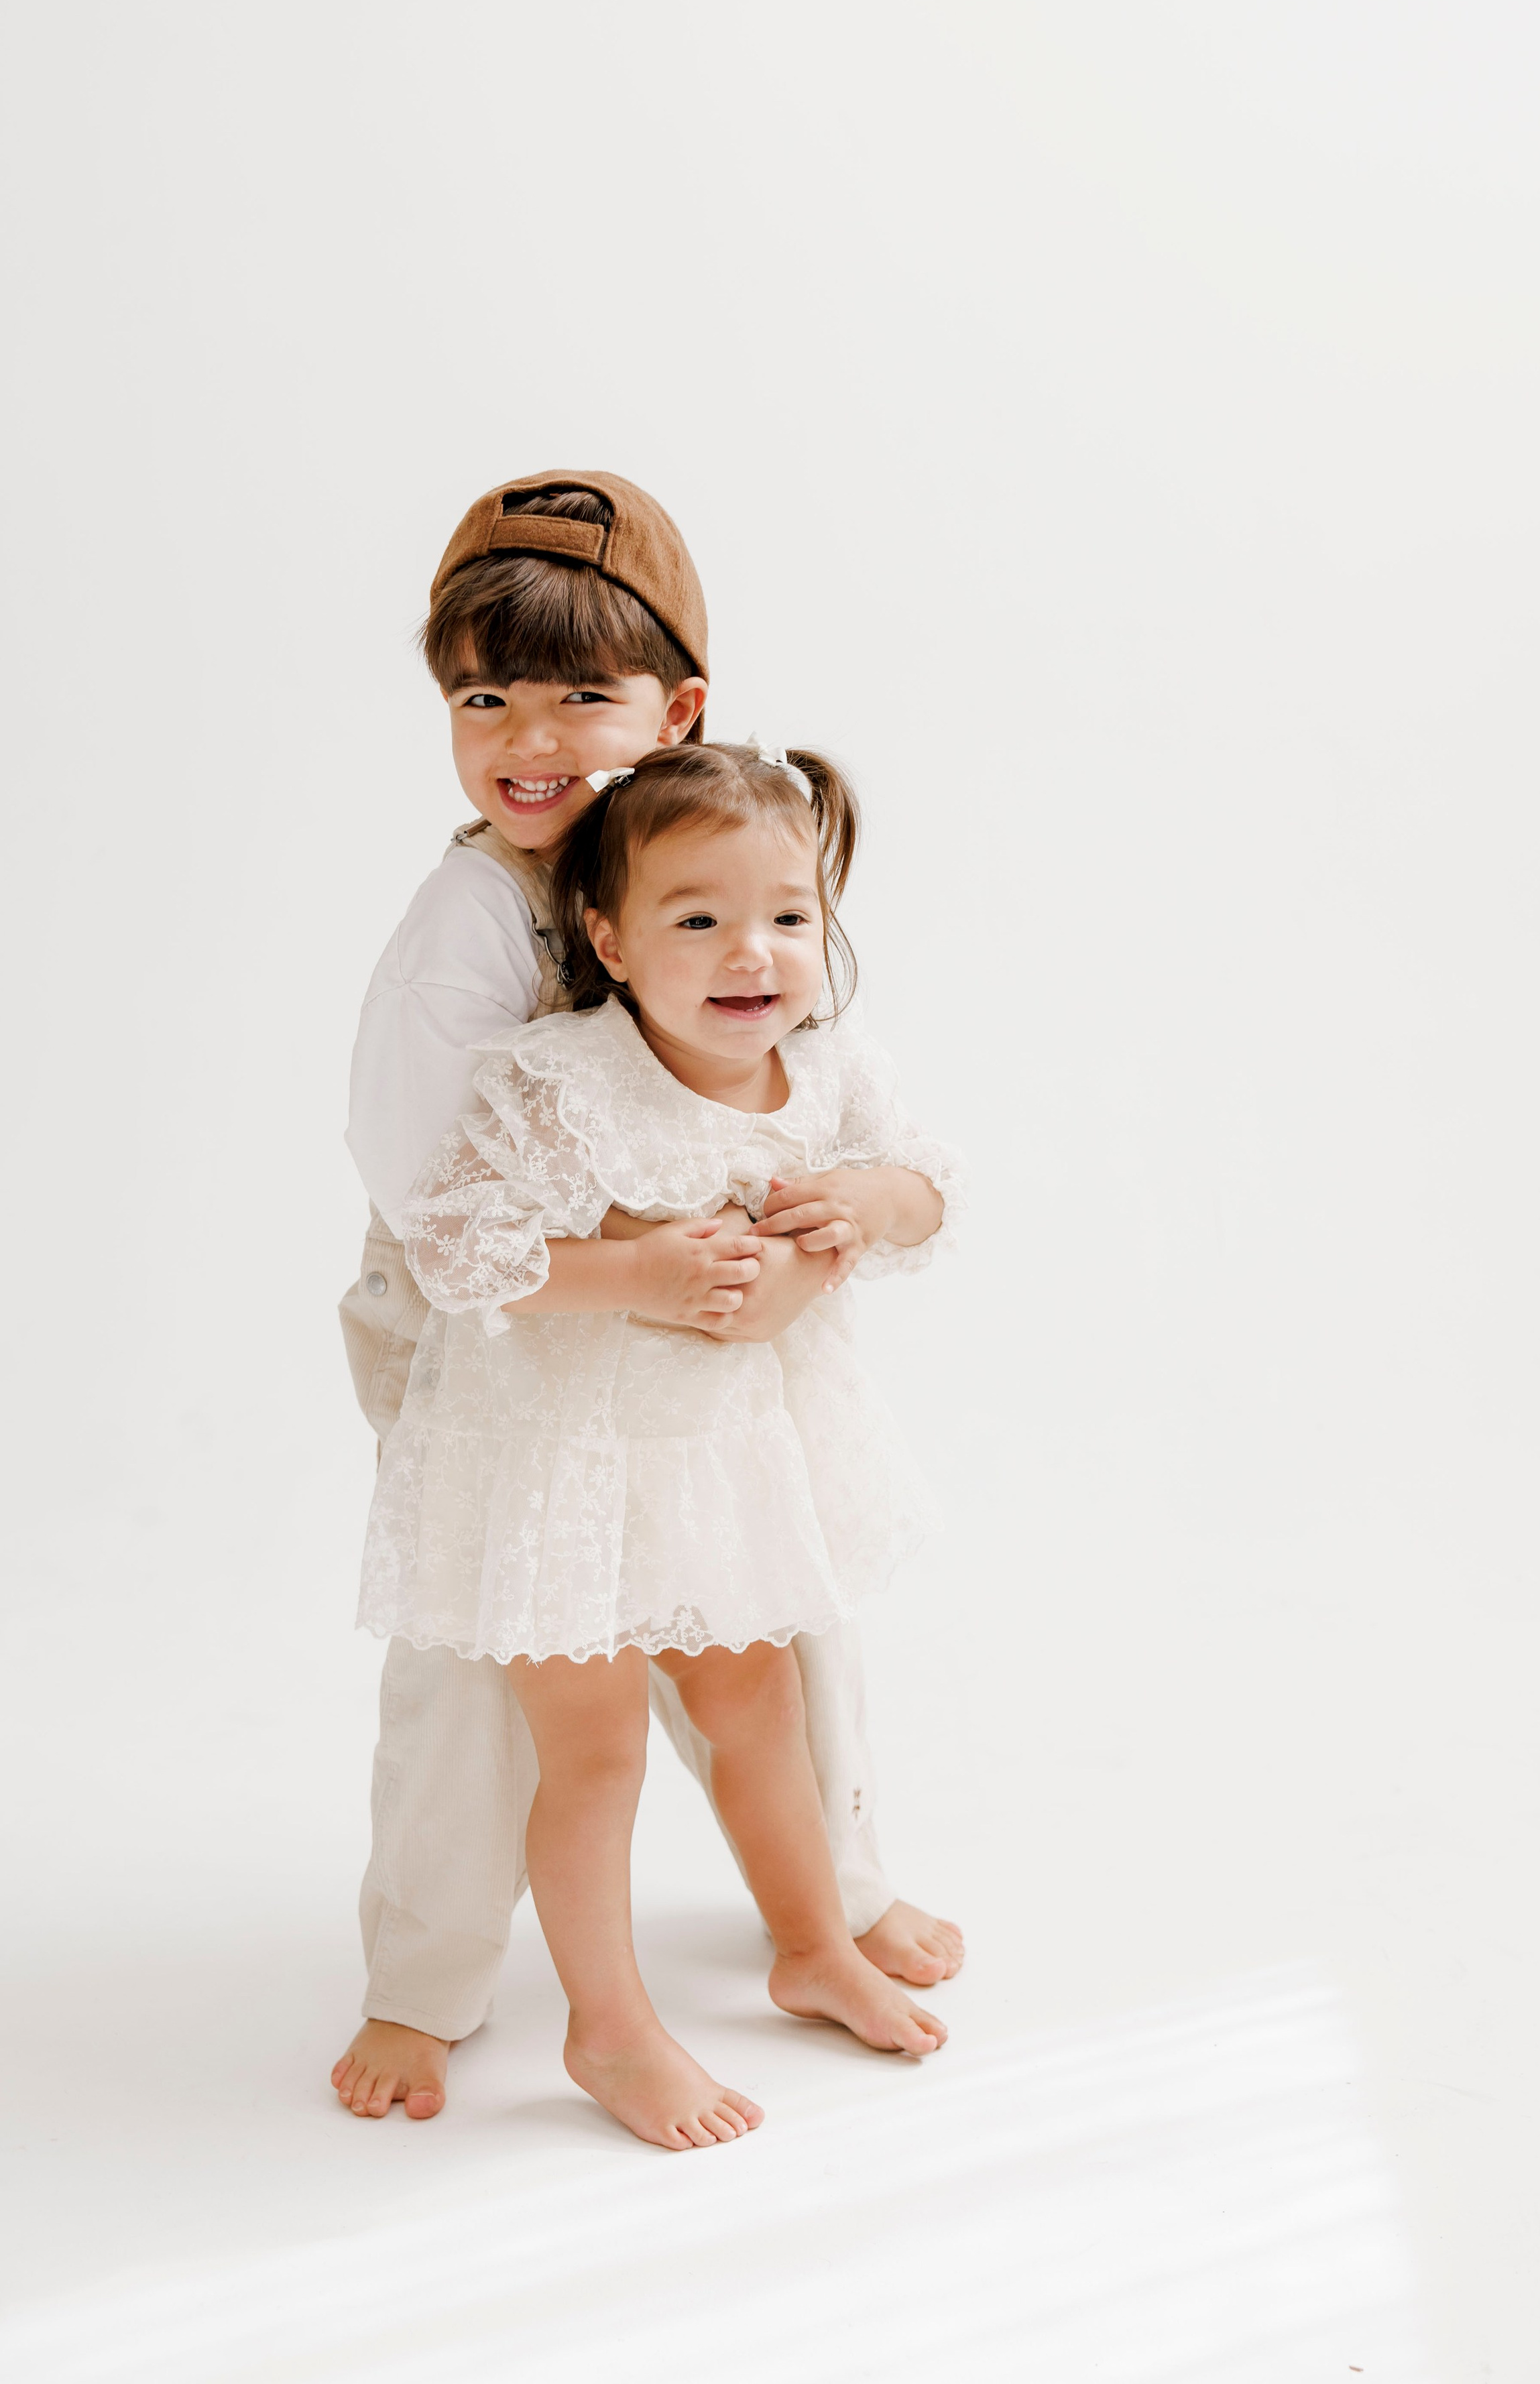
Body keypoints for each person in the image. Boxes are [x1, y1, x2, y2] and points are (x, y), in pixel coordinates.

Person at [332, 473, 961, 2123]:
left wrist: (793, 1266)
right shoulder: (471, 929)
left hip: (707, 1358)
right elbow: (437, 1217)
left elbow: (851, 1146)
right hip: (497, 1338)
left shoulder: (724, 863)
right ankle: (427, 1979)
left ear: (673, 706)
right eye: (485, 697)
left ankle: (821, 1906)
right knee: (505, 1687)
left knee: (773, 1633)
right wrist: (645, 1271)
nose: (533, 737)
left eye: (582, 696)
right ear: (607, 939)